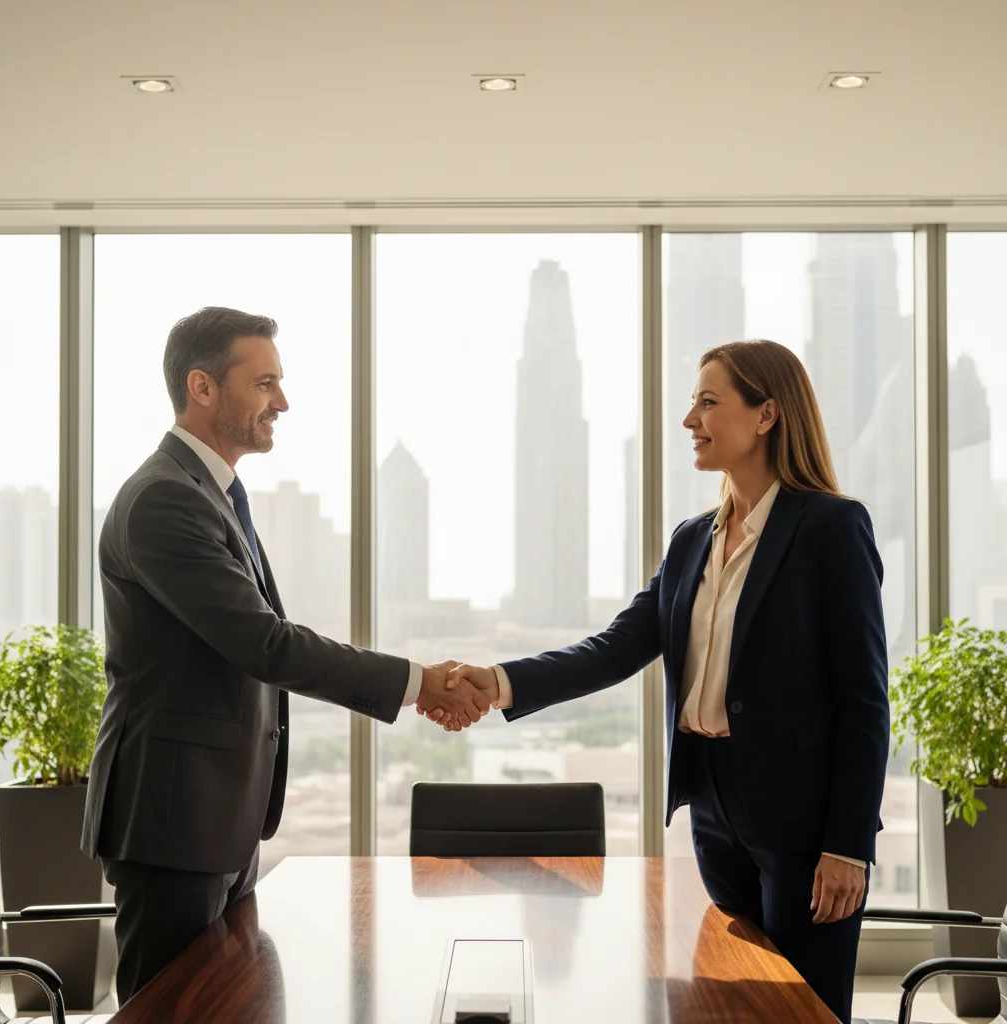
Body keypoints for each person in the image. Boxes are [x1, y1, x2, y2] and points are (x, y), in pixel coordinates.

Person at [438, 340, 890, 1024]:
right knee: (728, 1001)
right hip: (713, 810)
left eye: (708, 402)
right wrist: (498, 681)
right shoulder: (691, 540)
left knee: (806, 1012)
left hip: (803, 821)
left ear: (766, 415)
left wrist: (848, 845)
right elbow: (614, 649)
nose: (690, 420)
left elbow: (864, 700)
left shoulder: (830, 526)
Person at [81, 306, 490, 1004]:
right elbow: (265, 643)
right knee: (172, 1011)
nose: (283, 402)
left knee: (226, 1004)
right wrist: (419, 681)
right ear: (202, 386)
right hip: (171, 819)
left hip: (215, 818)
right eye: (265, 383)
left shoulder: (209, 494)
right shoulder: (163, 500)